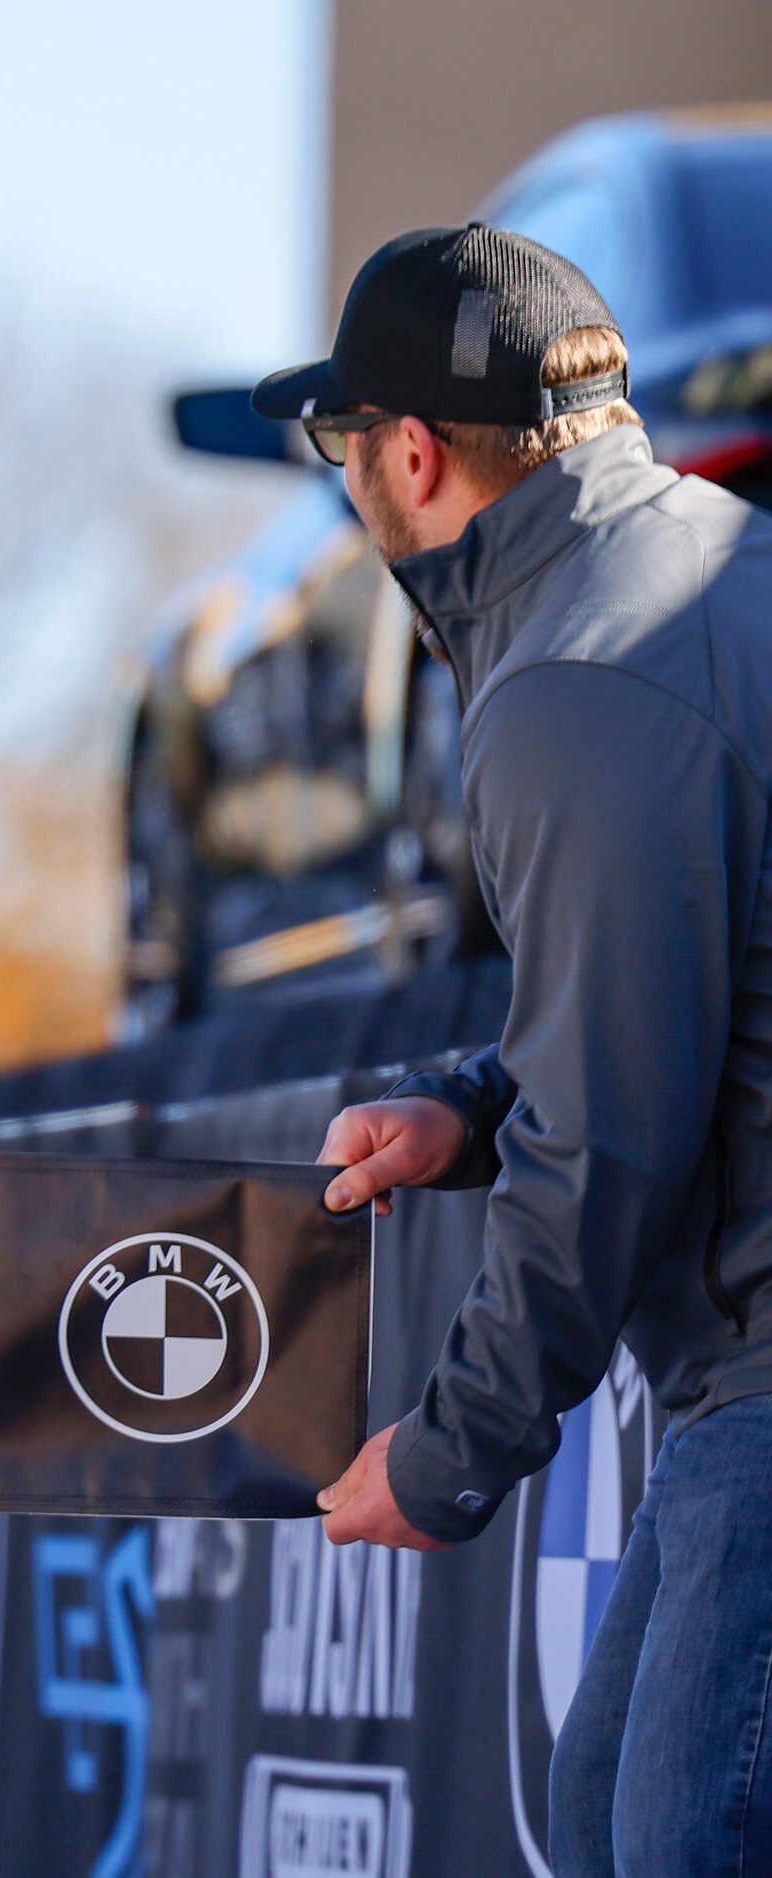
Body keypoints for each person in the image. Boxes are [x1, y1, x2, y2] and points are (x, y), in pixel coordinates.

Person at [289, 227, 772, 1872]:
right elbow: (684, 999)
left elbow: (612, 1143)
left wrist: (446, 1454)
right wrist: (465, 1110)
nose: (347, 482)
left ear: (409, 454)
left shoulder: (575, 675)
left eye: (339, 442)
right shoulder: (706, 563)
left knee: (676, 1837)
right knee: (604, 1814)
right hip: (744, 1374)